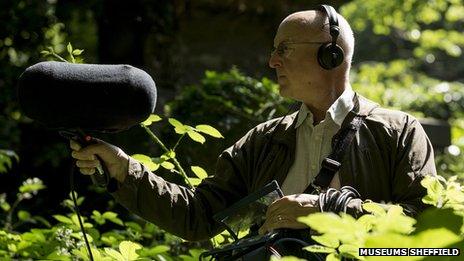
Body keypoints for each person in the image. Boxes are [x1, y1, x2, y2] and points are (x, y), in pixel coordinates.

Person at [70, 6, 436, 241]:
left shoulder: (399, 132)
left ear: (331, 54)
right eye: (274, 50)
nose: (273, 62)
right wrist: (125, 170)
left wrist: (331, 210)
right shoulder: (264, 139)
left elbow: (426, 236)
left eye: (284, 49)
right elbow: (199, 217)